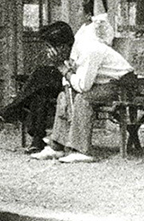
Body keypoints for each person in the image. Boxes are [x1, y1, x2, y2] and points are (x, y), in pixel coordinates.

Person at [32, 19, 136, 164]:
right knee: (63, 96)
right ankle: (57, 146)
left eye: (50, 47)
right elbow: (69, 83)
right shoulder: (72, 50)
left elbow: (82, 87)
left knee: (83, 99)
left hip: (120, 85)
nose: (49, 52)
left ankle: (81, 150)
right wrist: (67, 87)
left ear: (61, 47)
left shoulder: (89, 50)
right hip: (101, 83)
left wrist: (61, 68)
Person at [0, 29, 66, 153]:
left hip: (70, 82)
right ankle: (37, 141)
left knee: (41, 72)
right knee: (40, 94)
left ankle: (13, 109)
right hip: (61, 79)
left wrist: (60, 61)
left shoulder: (90, 33)